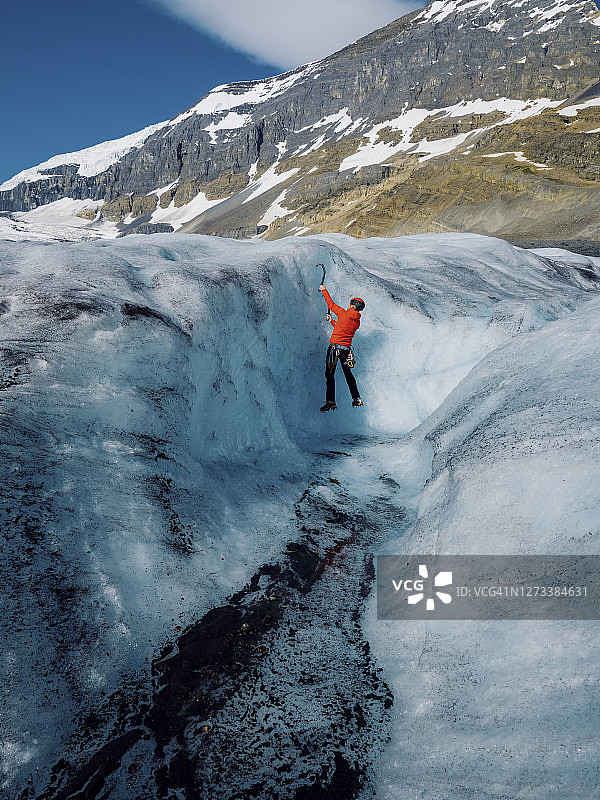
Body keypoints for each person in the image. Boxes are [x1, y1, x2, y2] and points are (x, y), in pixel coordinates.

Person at [318, 284, 365, 412]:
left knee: (330, 374)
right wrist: (332, 321)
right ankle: (356, 398)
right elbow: (343, 328)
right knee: (348, 374)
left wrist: (324, 290)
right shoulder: (357, 322)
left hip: (334, 349)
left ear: (353, 306)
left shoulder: (344, 313)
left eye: (350, 304)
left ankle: (331, 401)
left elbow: (331, 305)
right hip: (345, 350)